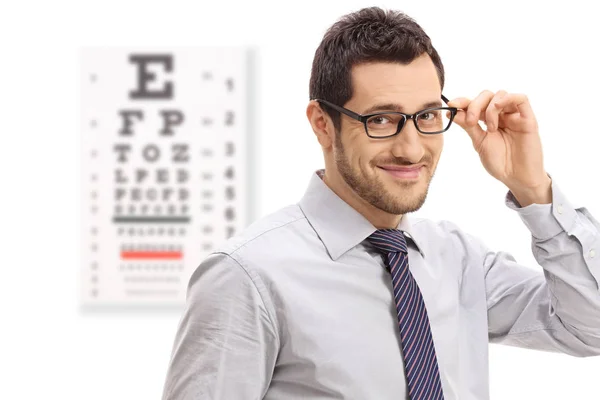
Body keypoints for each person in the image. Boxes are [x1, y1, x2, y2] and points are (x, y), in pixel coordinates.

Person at [161, 6, 600, 400]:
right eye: (381, 119)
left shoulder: (459, 259)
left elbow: (590, 329)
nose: (411, 149)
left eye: (427, 116)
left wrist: (532, 189)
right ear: (322, 124)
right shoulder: (247, 276)